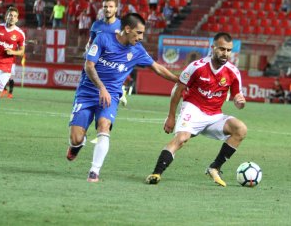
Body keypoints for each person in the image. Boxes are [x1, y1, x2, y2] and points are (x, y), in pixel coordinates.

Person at [66, 13, 178, 182]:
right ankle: (77, 146)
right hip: (87, 92)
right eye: (138, 33)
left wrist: (180, 80)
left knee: (104, 126)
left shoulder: (137, 50)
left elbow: (158, 68)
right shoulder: (103, 39)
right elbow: (89, 66)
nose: (141, 37)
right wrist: (101, 87)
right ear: (127, 29)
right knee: (76, 138)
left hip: (110, 96)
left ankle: (94, 172)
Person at [145, 32, 247, 187]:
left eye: (228, 50)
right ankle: (156, 173)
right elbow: (177, 91)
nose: (225, 53)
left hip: (214, 115)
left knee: (240, 129)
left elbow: (237, 98)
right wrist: (171, 117)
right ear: (213, 48)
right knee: (182, 138)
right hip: (193, 109)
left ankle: (214, 167)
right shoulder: (196, 67)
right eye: (221, 49)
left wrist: (240, 102)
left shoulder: (233, 72)